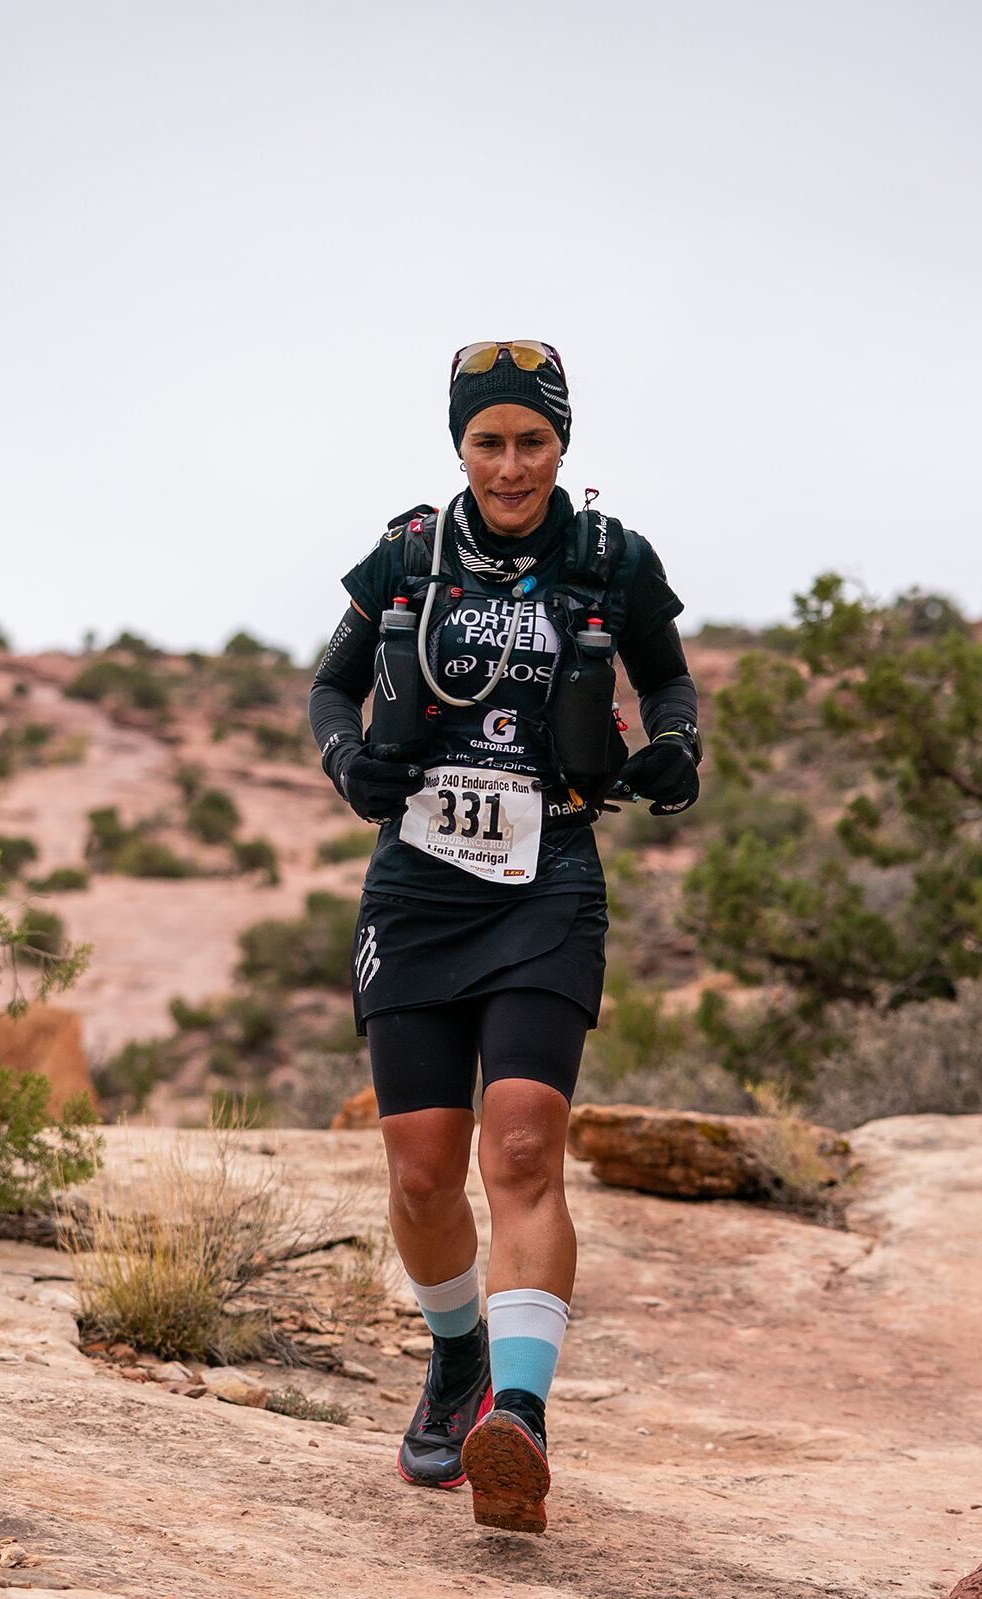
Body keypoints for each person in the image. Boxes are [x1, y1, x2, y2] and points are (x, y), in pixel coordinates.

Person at [306, 340, 700, 1536]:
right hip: (418, 891)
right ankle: (457, 1352)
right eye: (491, 440)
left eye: (533, 439)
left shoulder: (608, 558)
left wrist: (676, 746)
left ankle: (516, 1419)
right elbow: (329, 688)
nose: (513, 462)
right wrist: (349, 763)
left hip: (550, 880)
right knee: (424, 1171)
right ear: (461, 446)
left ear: (562, 445)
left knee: (521, 1146)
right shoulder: (412, 555)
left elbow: (669, 682)